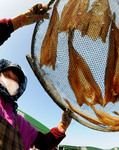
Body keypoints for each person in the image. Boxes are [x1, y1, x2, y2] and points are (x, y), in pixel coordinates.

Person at [0, 3, 72, 150]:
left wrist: (63, 125)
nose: (10, 81)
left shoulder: (21, 123)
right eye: (6, 75)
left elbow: (44, 143)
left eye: (15, 80)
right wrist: (18, 21)